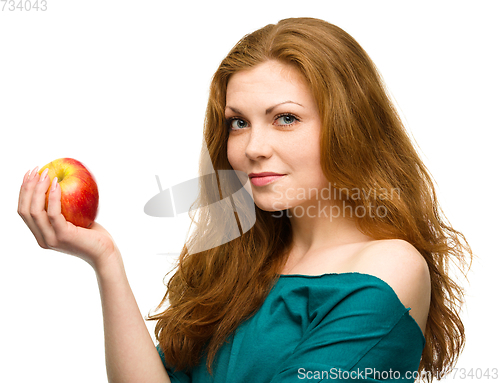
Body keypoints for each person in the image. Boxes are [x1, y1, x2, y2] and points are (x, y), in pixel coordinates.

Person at [18, 17, 473, 383]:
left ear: (348, 127)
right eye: (238, 122)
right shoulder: (243, 259)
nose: (252, 147)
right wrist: (106, 262)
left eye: (286, 118)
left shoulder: (387, 268)